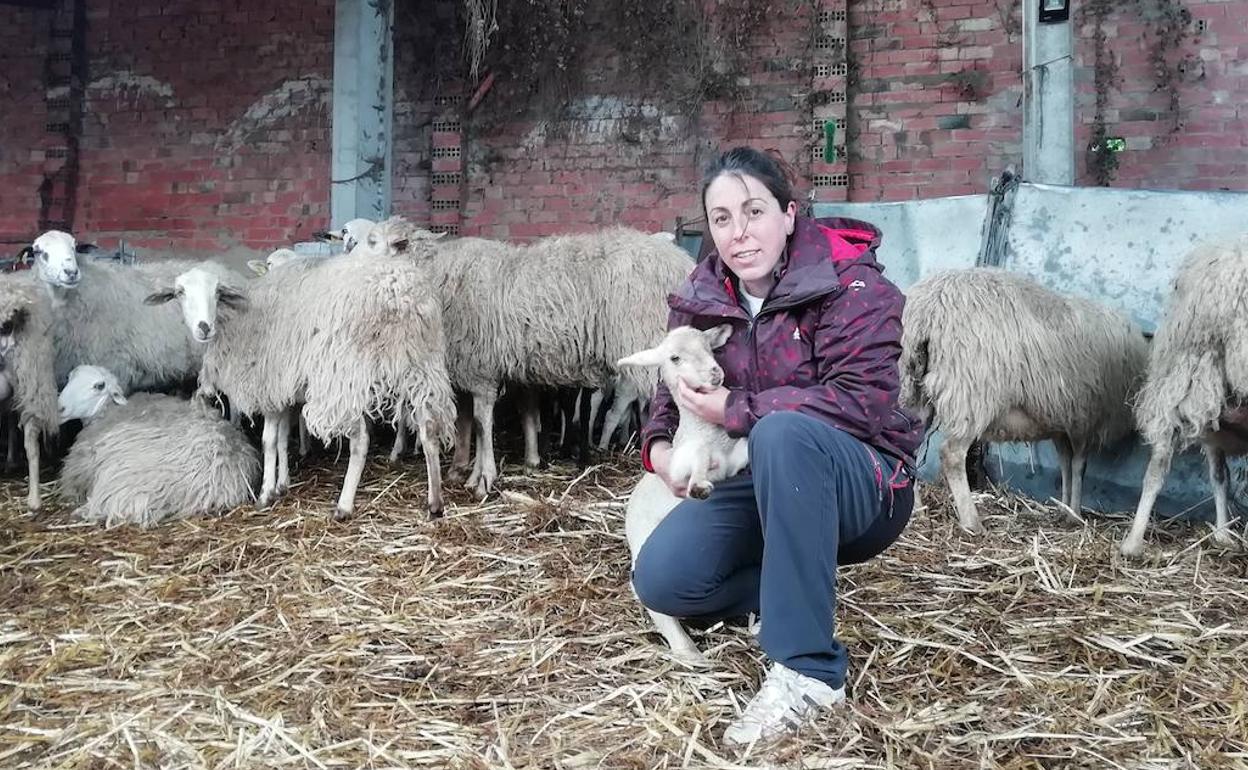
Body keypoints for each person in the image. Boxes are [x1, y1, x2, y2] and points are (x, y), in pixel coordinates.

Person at [632, 146, 924, 745]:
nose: (739, 234)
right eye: (721, 219)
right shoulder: (704, 292)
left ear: (790, 214)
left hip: (862, 483)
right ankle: (794, 584)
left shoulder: (853, 284)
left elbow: (859, 402)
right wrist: (660, 453)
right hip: (756, 478)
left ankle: (808, 670)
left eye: (754, 212)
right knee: (664, 581)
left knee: (782, 431)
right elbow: (669, 390)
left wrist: (733, 409)